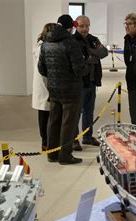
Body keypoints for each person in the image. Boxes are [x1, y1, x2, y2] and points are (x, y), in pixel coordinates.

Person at [38, 15, 89, 165]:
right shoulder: (70, 43)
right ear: (70, 27)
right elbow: (79, 69)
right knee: (68, 123)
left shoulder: (46, 43)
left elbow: (42, 69)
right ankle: (65, 156)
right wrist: (86, 65)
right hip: (71, 91)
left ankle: (52, 154)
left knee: (53, 122)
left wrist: (54, 77)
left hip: (53, 90)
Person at [73, 15, 108, 150]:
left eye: (87, 26)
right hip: (79, 82)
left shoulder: (93, 39)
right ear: (76, 25)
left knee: (89, 111)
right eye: (82, 26)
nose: (85, 29)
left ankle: (87, 137)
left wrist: (89, 52)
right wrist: (94, 54)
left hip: (92, 81)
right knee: (76, 113)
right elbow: (80, 60)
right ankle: (74, 139)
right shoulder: (72, 40)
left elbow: (104, 52)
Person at [32, 23, 56, 151]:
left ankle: (46, 142)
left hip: (44, 85)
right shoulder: (43, 47)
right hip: (45, 84)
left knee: (45, 115)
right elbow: (46, 68)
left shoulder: (40, 46)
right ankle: (46, 143)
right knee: (45, 116)